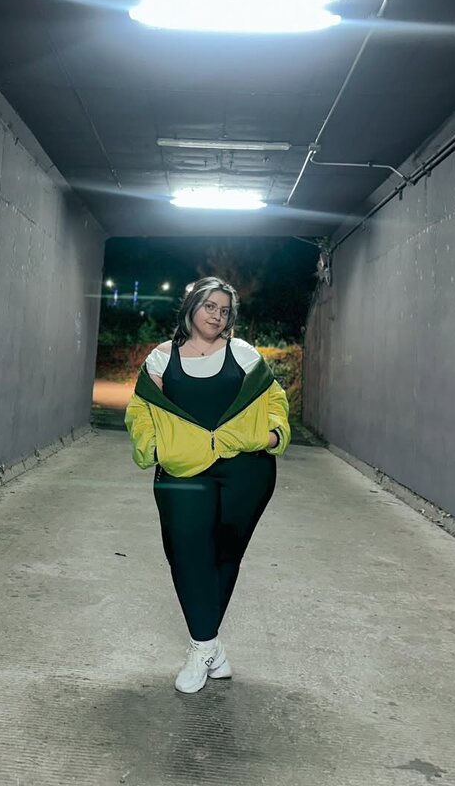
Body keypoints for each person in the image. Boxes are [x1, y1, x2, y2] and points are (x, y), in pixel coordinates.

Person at [124, 276, 291, 693]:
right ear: (192, 307)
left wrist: (273, 436)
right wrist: (155, 447)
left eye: (224, 310)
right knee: (185, 553)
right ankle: (206, 647)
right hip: (183, 473)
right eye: (210, 306)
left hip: (246, 470)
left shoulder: (243, 354)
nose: (217, 316)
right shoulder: (162, 358)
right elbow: (140, 411)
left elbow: (274, 400)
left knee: (226, 554)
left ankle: (204, 648)